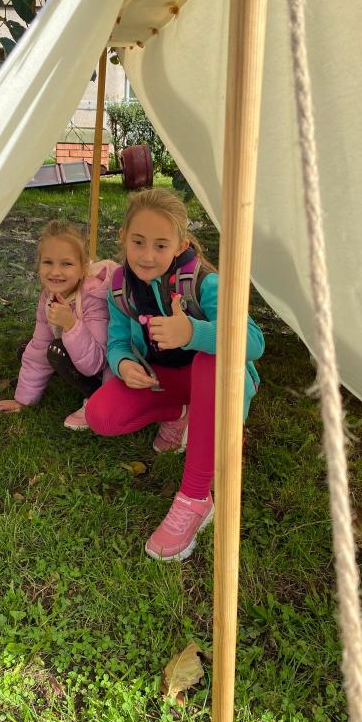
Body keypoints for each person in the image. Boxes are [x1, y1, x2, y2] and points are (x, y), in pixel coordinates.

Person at [85, 189, 265, 561]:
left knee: (211, 360)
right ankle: (180, 414)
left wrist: (193, 333)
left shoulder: (203, 283)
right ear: (123, 237)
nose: (147, 255)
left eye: (161, 245)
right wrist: (123, 364)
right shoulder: (119, 286)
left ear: (181, 245)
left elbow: (254, 342)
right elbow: (117, 341)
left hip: (215, 385)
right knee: (101, 416)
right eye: (138, 242)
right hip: (163, 379)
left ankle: (196, 498)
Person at [0, 220, 114, 429]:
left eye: (66, 264)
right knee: (29, 348)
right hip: (80, 356)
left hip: (106, 372)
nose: (55, 271)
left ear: (83, 268)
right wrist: (23, 400)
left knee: (56, 351)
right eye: (48, 262)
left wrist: (71, 325)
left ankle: (96, 397)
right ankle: (51, 378)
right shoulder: (49, 297)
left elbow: (96, 363)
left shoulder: (94, 297)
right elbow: (39, 346)